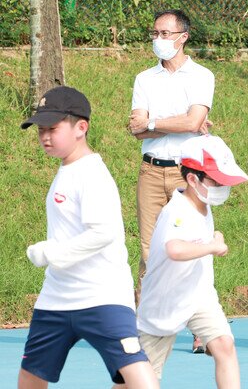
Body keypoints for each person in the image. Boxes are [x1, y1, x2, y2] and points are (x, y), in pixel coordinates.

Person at [19, 86, 158, 389]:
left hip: (102, 296)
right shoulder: (67, 169)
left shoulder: (91, 173)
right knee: (29, 380)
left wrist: (50, 253)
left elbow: (103, 233)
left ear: (81, 127)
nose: (44, 136)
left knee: (136, 377)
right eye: (41, 129)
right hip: (56, 298)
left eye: (52, 128)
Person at [131, 134, 248, 389]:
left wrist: (215, 238)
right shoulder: (177, 210)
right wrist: (212, 246)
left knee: (224, 346)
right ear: (192, 179)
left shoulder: (202, 202)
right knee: (136, 380)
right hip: (164, 301)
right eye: (217, 181)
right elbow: (174, 249)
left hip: (197, 294)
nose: (223, 187)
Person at [128, 9, 215, 353]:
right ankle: (144, 327)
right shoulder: (144, 79)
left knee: (193, 249)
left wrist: (153, 122)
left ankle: (201, 329)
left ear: (183, 37)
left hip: (188, 173)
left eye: (165, 33)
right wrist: (163, 123)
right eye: (154, 33)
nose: (158, 40)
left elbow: (195, 121)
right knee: (149, 252)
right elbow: (136, 130)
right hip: (150, 170)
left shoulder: (201, 76)